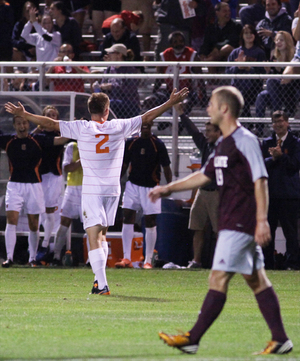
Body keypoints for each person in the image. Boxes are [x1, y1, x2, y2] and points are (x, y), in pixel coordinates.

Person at [149, 86, 293, 356]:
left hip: (240, 223)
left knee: (217, 278)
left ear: (224, 109)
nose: (209, 108)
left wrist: (262, 220)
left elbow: (260, 179)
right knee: (257, 281)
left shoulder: (245, 140)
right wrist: (168, 189)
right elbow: (204, 175)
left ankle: (192, 338)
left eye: (213, 104)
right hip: (232, 221)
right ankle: (280, 338)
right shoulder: (224, 143)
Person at [5, 86, 189, 294]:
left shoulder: (82, 128)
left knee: (93, 235)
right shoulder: (119, 126)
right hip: (112, 190)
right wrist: (170, 103)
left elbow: (50, 124)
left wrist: (25, 114)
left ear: (89, 109)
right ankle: (97, 280)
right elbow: (146, 117)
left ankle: (102, 284)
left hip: (92, 189)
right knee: (102, 235)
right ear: (107, 110)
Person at [0, 115, 67, 268]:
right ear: (14, 125)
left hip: (34, 185)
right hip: (15, 185)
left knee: (34, 223)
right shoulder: (8, 140)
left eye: (24, 123)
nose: (22, 126)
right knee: (12, 220)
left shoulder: (38, 139)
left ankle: (32, 259)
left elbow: (58, 141)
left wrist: (76, 132)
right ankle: (9, 258)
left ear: (28, 124)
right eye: (18, 123)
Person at [115, 122, 172, 269]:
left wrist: (169, 186)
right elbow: (125, 164)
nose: (145, 126)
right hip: (132, 185)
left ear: (152, 124)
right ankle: (126, 258)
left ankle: (148, 260)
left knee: (150, 220)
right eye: (143, 124)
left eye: (148, 124)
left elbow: (166, 167)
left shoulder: (158, 144)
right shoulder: (131, 142)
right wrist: (115, 181)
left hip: (151, 187)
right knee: (127, 216)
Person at [174, 102, 221, 269]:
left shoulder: (224, 148)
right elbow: (194, 132)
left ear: (218, 132)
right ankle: (196, 261)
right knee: (197, 227)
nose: (206, 134)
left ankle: (221, 263)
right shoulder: (206, 145)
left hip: (217, 192)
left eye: (210, 131)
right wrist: (182, 115)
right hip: (203, 191)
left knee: (220, 231)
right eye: (206, 131)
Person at [261, 110, 300, 270]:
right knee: (267, 232)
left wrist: (281, 157)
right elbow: (261, 164)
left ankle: (292, 264)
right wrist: (274, 158)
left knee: (290, 232)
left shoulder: (295, 143)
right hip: (269, 194)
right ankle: (267, 264)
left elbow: (294, 166)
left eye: (281, 121)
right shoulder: (266, 142)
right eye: (275, 122)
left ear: (287, 123)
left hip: (289, 195)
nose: (278, 125)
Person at [143, 31, 207, 127]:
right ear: (171, 44)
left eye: (181, 41)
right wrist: (154, 92)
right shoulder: (165, 55)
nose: (179, 44)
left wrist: (203, 96)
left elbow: (199, 77)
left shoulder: (191, 54)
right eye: (175, 42)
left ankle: (180, 123)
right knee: (149, 101)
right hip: (169, 91)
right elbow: (159, 78)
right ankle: (167, 118)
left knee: (184, 104)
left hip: (186, 92)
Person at [34, 106, 65, 262]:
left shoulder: (61, 134)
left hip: (54, 175)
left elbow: (62, 140)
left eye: (54, 115)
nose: (52, 117)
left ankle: (45, 244)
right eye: (48, 115)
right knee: (38, 211)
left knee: (49, 210)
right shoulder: (37, 135)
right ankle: (34, 248)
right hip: (39, 176)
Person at [52, 141, 84, 265]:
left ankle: (90, 260)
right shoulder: (72, 146)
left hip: (88, 189)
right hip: (72, 189)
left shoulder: (94, 143)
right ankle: (55, 256)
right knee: (64, 222)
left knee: (90, 226)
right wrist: (82, 160)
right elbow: (67, 167)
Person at [226, 24, 266, 118]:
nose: (248, 35)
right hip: (237, 86)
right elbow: (228, 71)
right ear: (242, 36)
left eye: (251, 33)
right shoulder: (235, 52)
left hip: (254, 87)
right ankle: (248, 122)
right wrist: (238, 67)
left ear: (255, 35)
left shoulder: (260, 52)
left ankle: (249, 122)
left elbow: (262, 72)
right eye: (246, 33)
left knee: (243, 96)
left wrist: (250, 69)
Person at [92, 44, 141, 118]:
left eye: (111, 53)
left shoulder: (130, 70)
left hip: (128, 104)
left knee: (110, 104)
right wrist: (99, 87)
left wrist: (112, 86)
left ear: (119, 55)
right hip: (112, 103)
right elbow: (103, 84)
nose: (108, 55)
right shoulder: (109, 69)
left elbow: (130, 90)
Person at [255, 31, 297, 117]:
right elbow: (271, 80)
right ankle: (259, 127)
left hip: (290, 91)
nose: (278, 42)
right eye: (277, 40)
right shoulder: (274, 57)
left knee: (271, 81)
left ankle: (277, 115)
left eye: (281, 40)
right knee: (261, 96)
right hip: (276, 93)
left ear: (288, 42)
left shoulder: (295, 58)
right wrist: (268, 71)